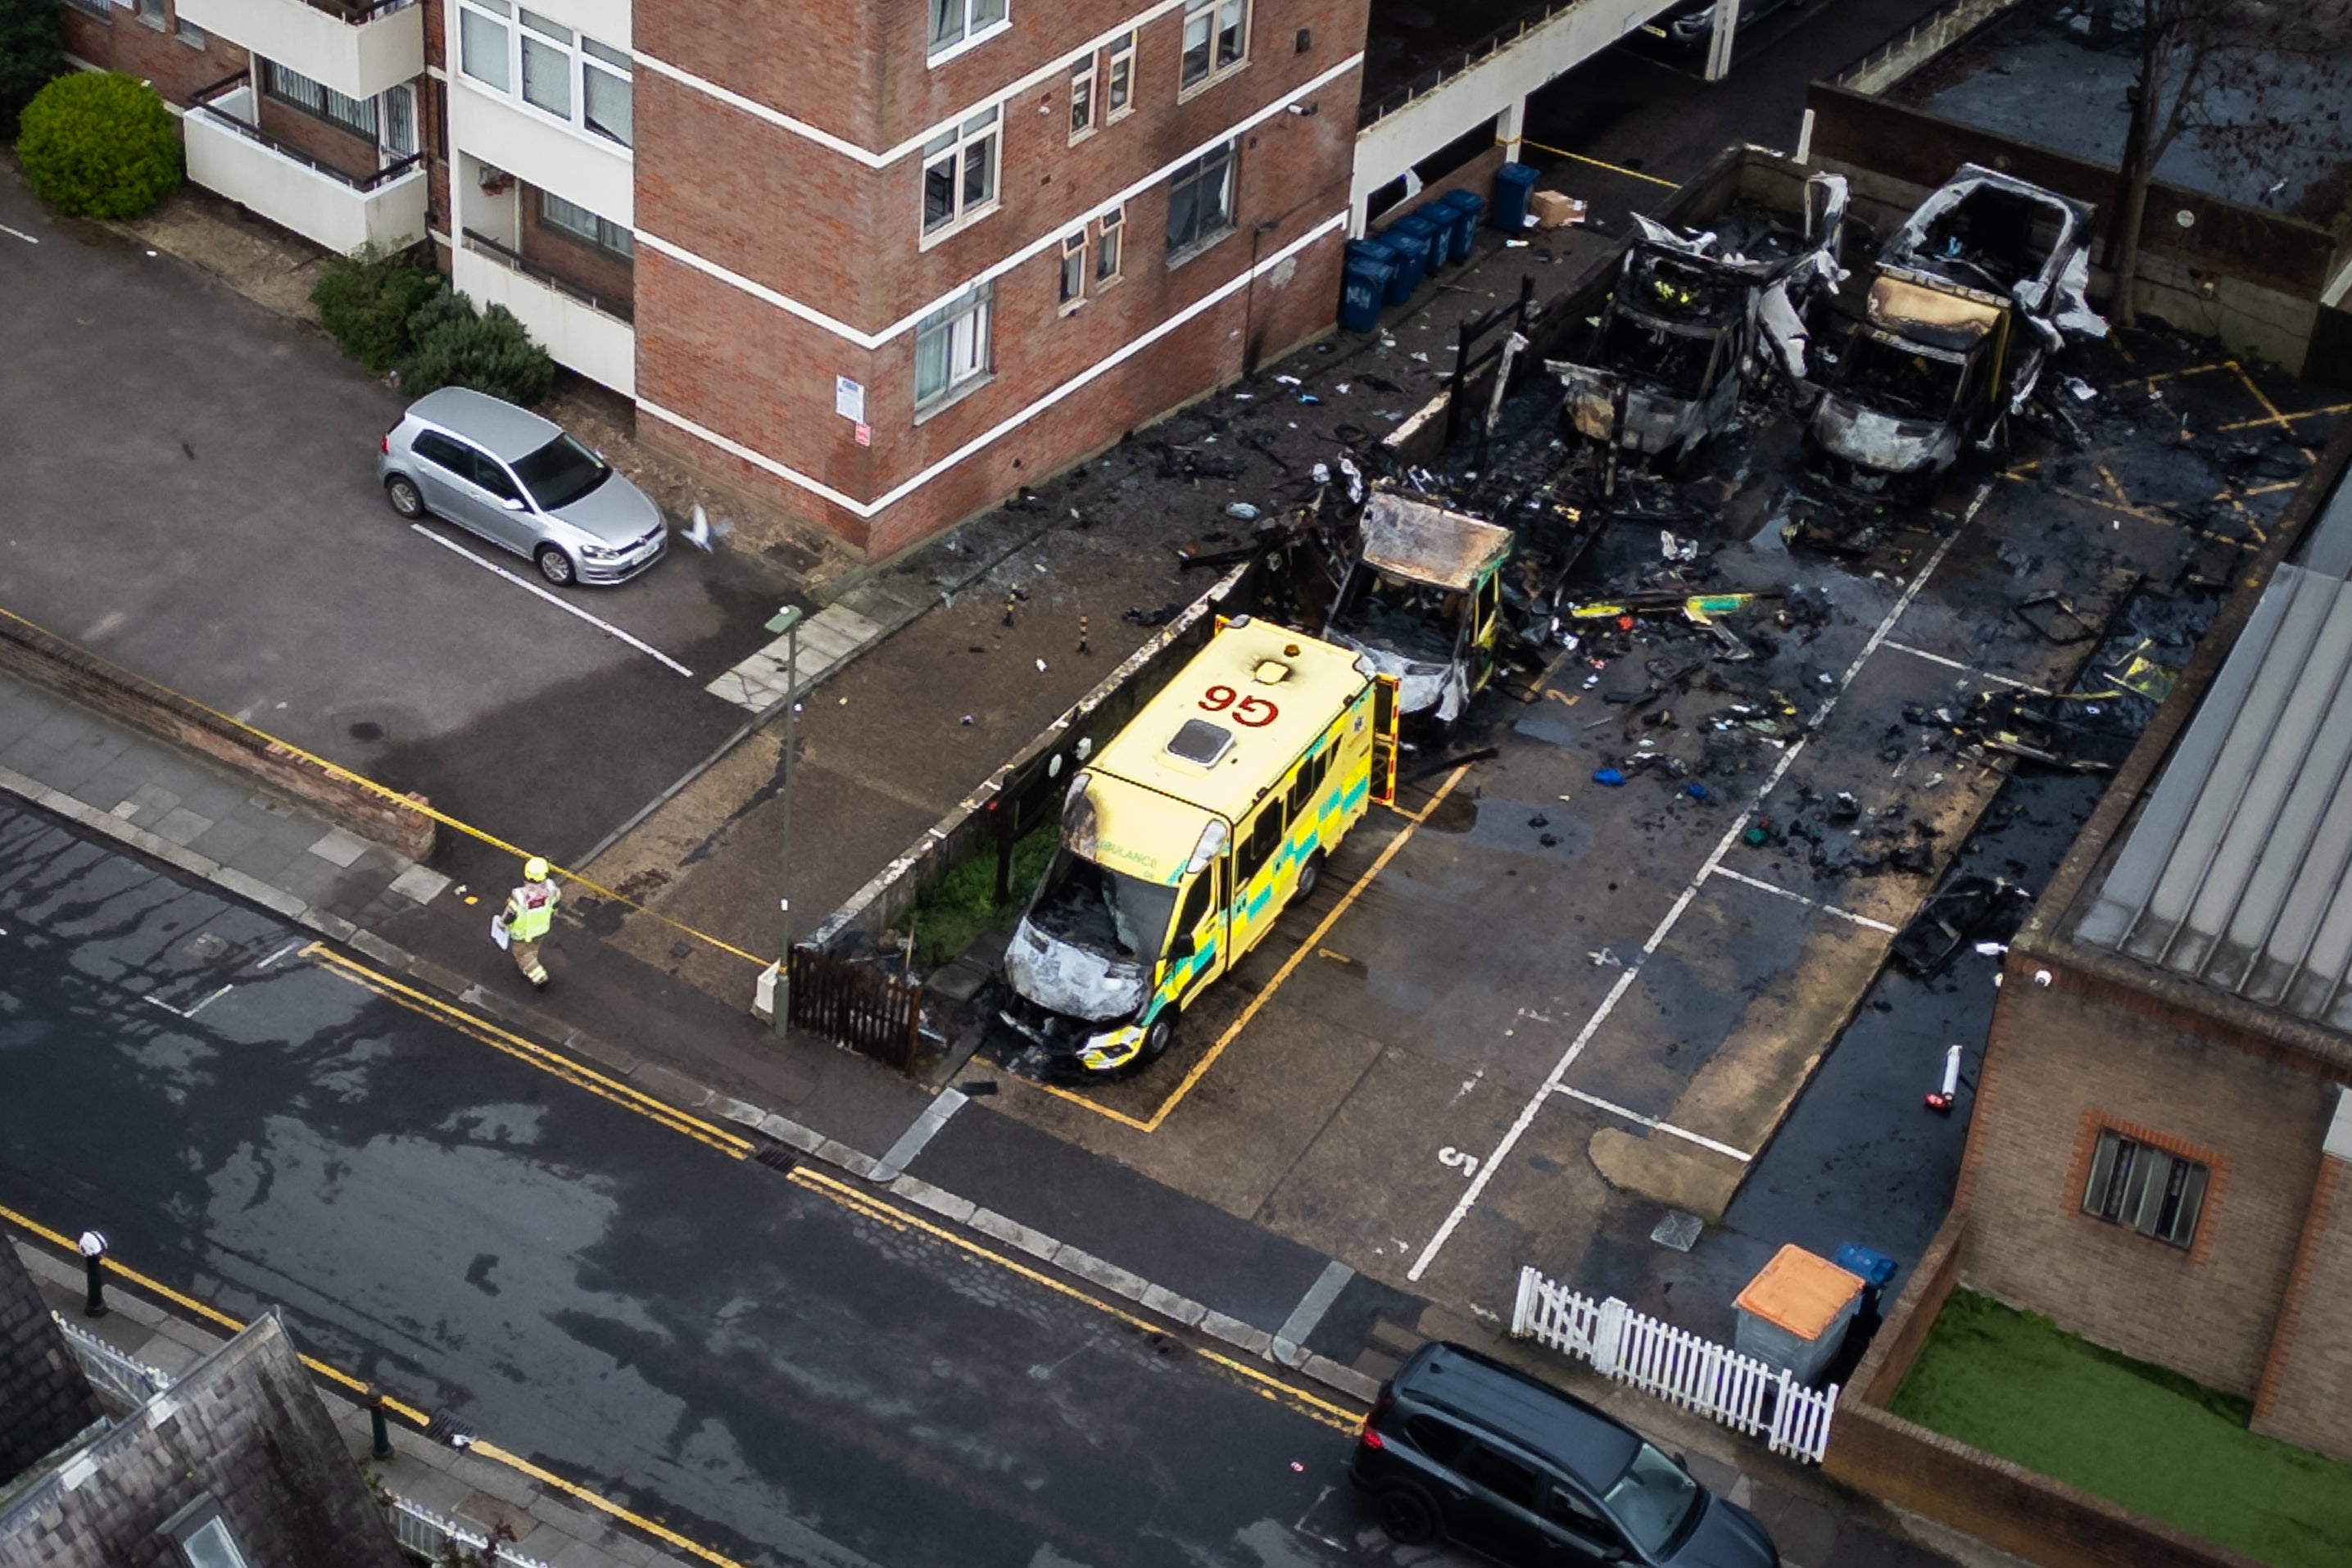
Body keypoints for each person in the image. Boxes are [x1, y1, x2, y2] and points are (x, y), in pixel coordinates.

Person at [499, 856, 560, 989]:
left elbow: (510, 914)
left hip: (522, 933)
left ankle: (539, 976)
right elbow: (555, 904)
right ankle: (528, 965)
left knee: (520, 953)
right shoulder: (551, 890)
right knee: (532, 950)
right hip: (542, 929)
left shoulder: (519, 896)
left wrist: (501, 924)